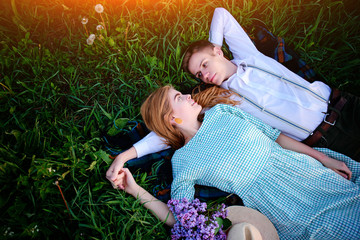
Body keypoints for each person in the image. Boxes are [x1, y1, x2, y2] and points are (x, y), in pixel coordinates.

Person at [106, 8, 359, 175]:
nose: (204, 75)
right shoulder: (221, 102)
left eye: (204, 65)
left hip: (345, 107)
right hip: (326, 143)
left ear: (219, 52)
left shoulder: (247, 56)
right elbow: (167, 127)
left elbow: (221, 14)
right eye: (198, 74)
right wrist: (124, 156)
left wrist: (213, 44)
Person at [112, 85, 360, 239]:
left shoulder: (222, 111)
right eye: (179, 96)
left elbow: (276, 137)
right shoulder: (183, 161)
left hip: (304, 172)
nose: (188, 95)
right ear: (171, 118)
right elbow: (180, 218)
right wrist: (135, 189)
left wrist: (324, 158)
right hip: (280, 205)